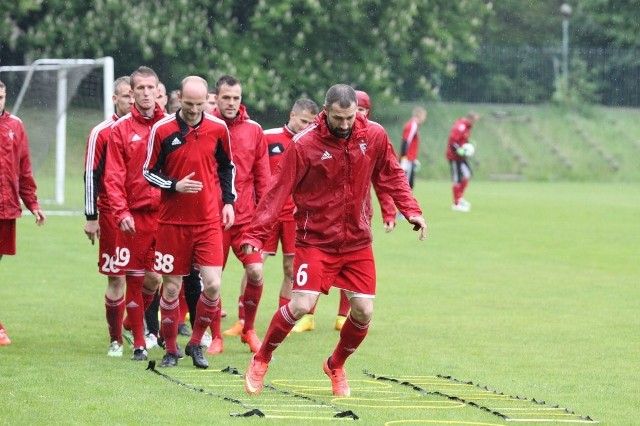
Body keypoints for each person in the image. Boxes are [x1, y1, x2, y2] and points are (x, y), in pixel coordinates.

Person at [241, 84, 427, 397]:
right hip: (315, 240)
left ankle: (336, 365)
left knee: (364, 311)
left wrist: (411, 210)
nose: (344, 124)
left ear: (358, 113)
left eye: (350, 118)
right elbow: (277, 191)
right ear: (325, 112)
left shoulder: (375, 135)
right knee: (301, 304)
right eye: (338, 118)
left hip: (357, 241)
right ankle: (262, 359)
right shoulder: (304, 144)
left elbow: (392, 174)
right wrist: (255, 234)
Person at [143, 75, 236, 368]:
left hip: (208, 221)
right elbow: (148, 171)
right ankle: (170, 349)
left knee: (213, 286)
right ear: (179, 99)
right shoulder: (162, 129)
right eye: (190, 104)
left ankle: (195, 343)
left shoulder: (218, 128)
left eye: (200, 105)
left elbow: (226, 167)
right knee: (171, 289)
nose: (195, 110)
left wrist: (229, 202)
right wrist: (174, 185)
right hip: (172, 223)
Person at [291, 90, 397, 333]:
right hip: (320, 220)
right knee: (310, 269)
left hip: (358, 217)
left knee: (349, 272)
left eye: (359, 113)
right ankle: (309, 314)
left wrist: (389, 211)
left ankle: (342, 315)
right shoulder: (312, 142)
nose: (348, 122)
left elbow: (383, 178)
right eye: (343, 116)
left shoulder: (372, 136)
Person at [104, 66, 166, 361]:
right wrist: (121, 212)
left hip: (164, 217)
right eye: (138, 88)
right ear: (131, 93)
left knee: (155, 279)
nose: (144, 93)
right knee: (134, 278)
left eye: (149, 87)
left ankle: (131, 322)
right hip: (134, 217)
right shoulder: (119, 130)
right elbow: (113, 177)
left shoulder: (170, 126)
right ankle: (139, 343)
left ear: (157, 90)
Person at [212, 75, 270, 355]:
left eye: (236, 98)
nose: (232, 103)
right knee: (212, 279)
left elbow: (263, 178)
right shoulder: (206, 127)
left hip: (246, 220)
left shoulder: (254, 130)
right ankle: (215, 336)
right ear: (216, 97)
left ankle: (248, 329)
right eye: (226, 98)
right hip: (214, 219)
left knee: (256, 272)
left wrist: (264, 220)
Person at [83, 76, 134, 356]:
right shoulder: (101, 132)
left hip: (144, 214)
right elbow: (91, 175)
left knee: (150, 276)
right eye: (126, 96)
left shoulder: (149, 129)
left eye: (134, 95)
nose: (132, 100)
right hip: (113, 215)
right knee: (117, 277)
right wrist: (91, 216)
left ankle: (134, 326)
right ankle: (115, 339)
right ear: (115, 99)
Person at [0, 79, 47, 346]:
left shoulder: (15, 125)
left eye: (1, 97)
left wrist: (33, 204)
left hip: (5, 210)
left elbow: (23, 168)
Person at [261, 98, 319, 313]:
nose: (306, 127)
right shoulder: (268, 137)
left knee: (290, 269)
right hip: (268, 213)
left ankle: (282, 315)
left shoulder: (313, 144)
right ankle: (243, 320)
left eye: (311, 124)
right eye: (303, 121)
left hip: (295, 216)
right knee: (255, 266)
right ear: (292, 115)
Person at [447, 111, 479, 212]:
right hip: (454, 157)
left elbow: (462, 140)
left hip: (461, 157)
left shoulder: (468, 127)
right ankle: (456, 203)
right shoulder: (460, 126)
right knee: (457, 179)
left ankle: (460, 198)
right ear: (471, 119)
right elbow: (452, 141)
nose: (475, 123)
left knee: (467, 175)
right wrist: (458, 150)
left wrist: (468, 145)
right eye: (475, 121)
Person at [399, 106, 427, 189]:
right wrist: (404, 158)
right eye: (424, 115)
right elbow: (406, 141)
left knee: (409, 184)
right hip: (407, 159)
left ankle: (406, 201)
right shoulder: (413, 125)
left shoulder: (414, 125)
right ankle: (403, 202)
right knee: (406, 184)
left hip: (410, 159)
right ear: (420, 115)